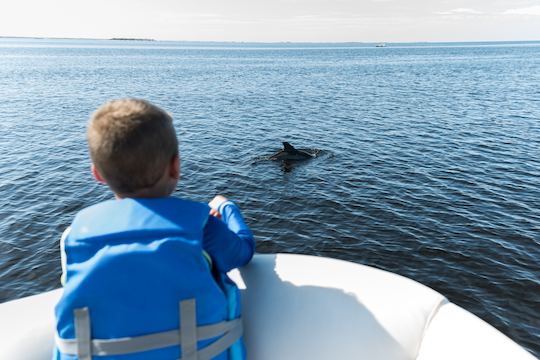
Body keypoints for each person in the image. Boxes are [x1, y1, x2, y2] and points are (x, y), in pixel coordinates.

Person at [53, 99, 254, 360]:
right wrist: (226, 208)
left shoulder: (74, 237)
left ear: (97, 174)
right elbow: (244, 251)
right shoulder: (203, 227)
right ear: (176, 166)